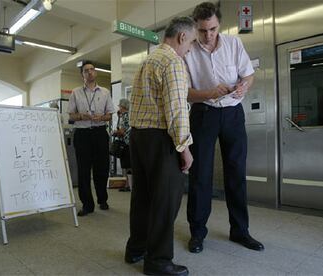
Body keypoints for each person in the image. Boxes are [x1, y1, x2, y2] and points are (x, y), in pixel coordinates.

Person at [184, 2, 264, 254]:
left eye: (213, 29)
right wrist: (209, 92)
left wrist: (244, 86)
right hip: (203, 113)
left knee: (236, 172)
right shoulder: (188, 51)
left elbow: (248, 74)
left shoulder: (233, 44)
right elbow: (185, 93)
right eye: (202, 30)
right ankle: (197, 233)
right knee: (200, 175)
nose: (208, 35)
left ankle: (240, 231)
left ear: (219, 24)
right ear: (195, 28)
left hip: (232, 113)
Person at [125, 17, 195, 276]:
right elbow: (177, 110)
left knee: (142, 198)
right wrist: (184, 148)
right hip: (161, 139)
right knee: (165, 202)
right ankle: (158, 261)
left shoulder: (147, 61)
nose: (190, 49)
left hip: (139, 137)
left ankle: (135, 249)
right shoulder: (173, 62)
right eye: (191, 43)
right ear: (182, 37)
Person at [68, 61, 115, 216]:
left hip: (100, 132)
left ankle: (102, 199)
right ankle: (87, 204)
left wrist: (101, 117)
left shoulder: (105, 92)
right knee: (84, 170)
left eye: (92, 70)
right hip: (82, 134)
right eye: (86, 70)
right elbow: (71, 115)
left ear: (95, 72)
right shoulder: (75, 92)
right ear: (82, 74)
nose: (89, 72)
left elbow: (110, 115)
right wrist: (82, 116)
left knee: (102, 168)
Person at [113, 98, 132, 192]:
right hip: (129, 143)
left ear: (123, 106)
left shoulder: (125, 116)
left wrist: (115, 132)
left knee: (126, 165)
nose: (119, 108)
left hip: (125, 144)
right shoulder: (128, 115)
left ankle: (127, 185)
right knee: (127, 165)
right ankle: (128, 184)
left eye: (119, 106)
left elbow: (122, 131)